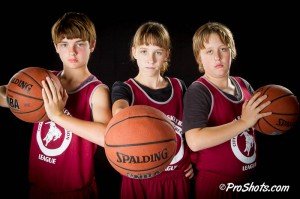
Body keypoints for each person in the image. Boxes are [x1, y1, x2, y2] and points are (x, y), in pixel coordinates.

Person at [0, 12, 112, 199]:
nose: (72, 51)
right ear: (56, 47)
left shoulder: (97, 90)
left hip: (75, 190)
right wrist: (12, 94)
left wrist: (59, 116)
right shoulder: (42, 80)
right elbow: (6, 96)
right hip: (39, 186)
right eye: (64, 44)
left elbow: (106, 137)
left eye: (80, 44)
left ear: (92, 45)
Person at [182, 22, 272, 199]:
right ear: (199, 58)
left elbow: (259, 123)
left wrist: (276, 119)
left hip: (249, 180)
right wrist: (244, 122)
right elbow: (194, 141)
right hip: (216, 185)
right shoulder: (199, 91)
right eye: (209, 51)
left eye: (223, 49)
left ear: (232, 51)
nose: (217, 57)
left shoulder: (243, 84)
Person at [111, 21, 193, 199]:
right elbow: (119, 112)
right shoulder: (125, 89)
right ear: (134, 52)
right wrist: (121, 115)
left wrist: (195, 160)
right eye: (144, 51)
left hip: (176, 176)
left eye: (158, 52)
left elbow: (193, 129)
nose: (151, 59)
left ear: (166, 55)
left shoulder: (179, 87)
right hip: (138, 179)